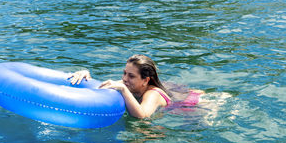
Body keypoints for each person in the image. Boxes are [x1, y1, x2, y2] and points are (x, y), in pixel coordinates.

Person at [69, 54, 203, 118]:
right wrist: (86, 75)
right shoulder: (130, 84)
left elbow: (142, 115)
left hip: (196, 104)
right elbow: (102, 88)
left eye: (131, 76)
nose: (125, 79)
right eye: (124, 73)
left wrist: (123, 89)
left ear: (145, 80)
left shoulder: (153, 94)